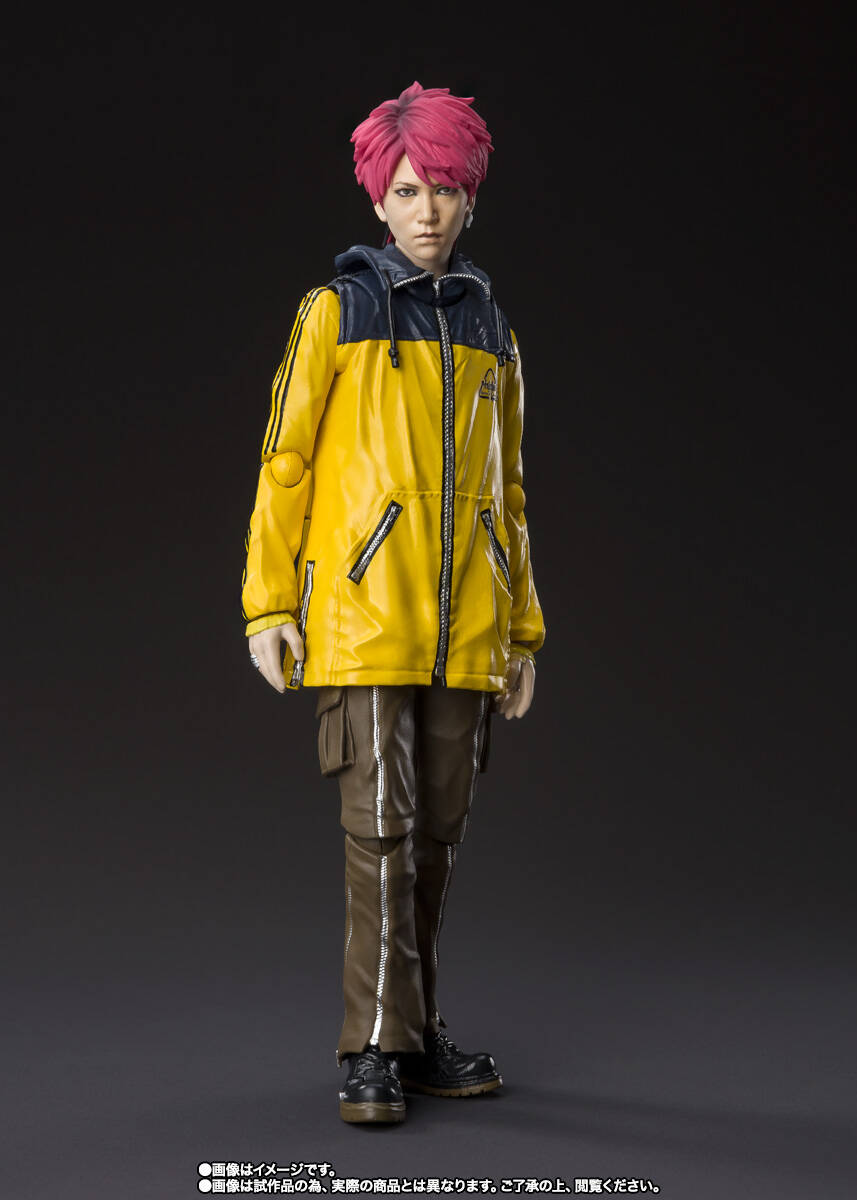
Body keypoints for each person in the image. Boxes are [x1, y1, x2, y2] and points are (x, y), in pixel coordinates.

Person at [241, 81, 545, 1124]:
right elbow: (284, 461)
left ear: (470, 199)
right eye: (408, 190)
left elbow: (508, 492)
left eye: (444, 189)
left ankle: (411, 1035)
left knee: (437, 835)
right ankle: (369, 1046)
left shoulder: (492, 330)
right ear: (377, 199)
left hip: (466, 628)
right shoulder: (335, 313)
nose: (426, 210)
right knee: (379, 829)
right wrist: (268, 605)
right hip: (363, 620)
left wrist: (520, 630)